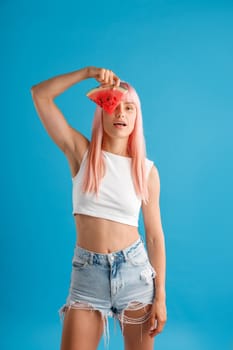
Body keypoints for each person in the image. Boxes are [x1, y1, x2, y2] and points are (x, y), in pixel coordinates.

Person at [31, 66, 167, 350]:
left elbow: (154, 236)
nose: (121, 114)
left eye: (129, 108)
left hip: (136, 274)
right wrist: (88, 73)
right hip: (87, 274)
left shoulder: (147, 171)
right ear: (101, 111)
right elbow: (40, 95)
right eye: (114, 105)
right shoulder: (81, 153)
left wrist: (161, 298)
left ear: (136, 119)